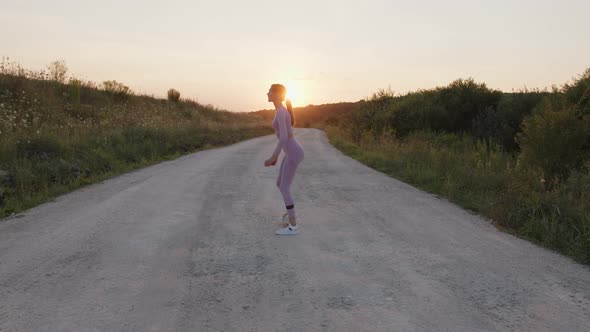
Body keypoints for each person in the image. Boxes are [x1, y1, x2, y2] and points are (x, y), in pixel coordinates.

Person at [264, 84, 305, 235]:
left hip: (294, 152)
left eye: (269, 91)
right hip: (292, 152)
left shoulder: (281, 112)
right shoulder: (279, 111)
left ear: (276, 94)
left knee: (284, 187)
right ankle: (290, 214)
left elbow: (283, 137)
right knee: (279, 183)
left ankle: (293, 225)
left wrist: (273, 157)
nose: (267, 93)